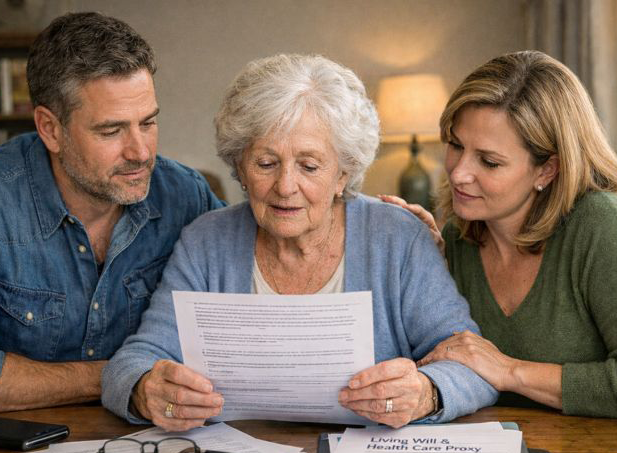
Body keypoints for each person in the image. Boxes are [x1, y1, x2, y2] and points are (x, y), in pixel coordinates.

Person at [101, 54, 497, 431]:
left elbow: (471, 365)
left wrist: (426, 393)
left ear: (343, 173)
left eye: (309, 166)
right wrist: (145, 390)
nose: (286, 187)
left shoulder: (397, 238)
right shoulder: (206, 241)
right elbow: (134, 360)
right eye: (266, 164)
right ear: (239, 168)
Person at [0, 12, 224, 418]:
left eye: (149, 122)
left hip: (156, 450)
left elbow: (256, 285)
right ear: (50, 128)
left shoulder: (186, 195)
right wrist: (121, 378)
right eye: (111, 131)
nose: (140, 152)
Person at [382, 51, 617, 425]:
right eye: (455, 145)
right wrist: (419, 266)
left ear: (547, 169)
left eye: (489, 161)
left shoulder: (605, 228)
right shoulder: (457, 235)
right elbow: (449, 363)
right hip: (536, 451)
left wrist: (510, 370)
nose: (459, 173)